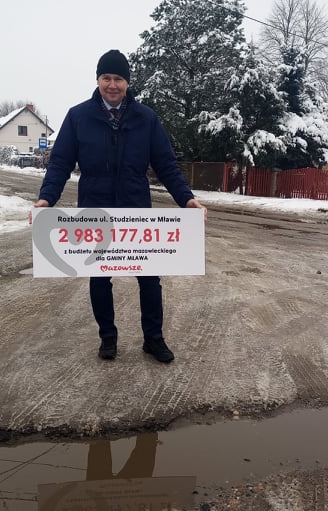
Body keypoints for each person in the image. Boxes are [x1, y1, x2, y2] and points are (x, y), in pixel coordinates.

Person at [33, 49, 206, 363]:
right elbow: (60, 163)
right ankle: (108, 339)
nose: (112, 85)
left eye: (119, 79)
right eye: (106, 78)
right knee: (99, 279)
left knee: (150, 280)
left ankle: (153, 339)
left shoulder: (147, 119)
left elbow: (166, 165)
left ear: (128, 82)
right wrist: (47, 197)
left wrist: (186, 198)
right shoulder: (78, 117)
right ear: (98, 80)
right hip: (95, 210)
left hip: (136, 209)